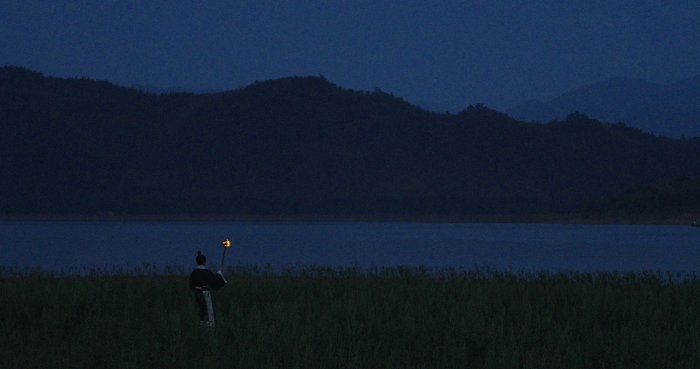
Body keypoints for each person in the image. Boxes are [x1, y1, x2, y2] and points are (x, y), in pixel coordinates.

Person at [189, 250, 227, 328]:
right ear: (204, 262)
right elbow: (214, 282)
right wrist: (220, 274)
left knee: (199, 311)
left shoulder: (194, 273)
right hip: (205, 293)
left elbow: (191, 285)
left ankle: (199, 326)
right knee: (208, 312)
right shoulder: (207, 273)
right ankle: (208, 328)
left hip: (196, 293)